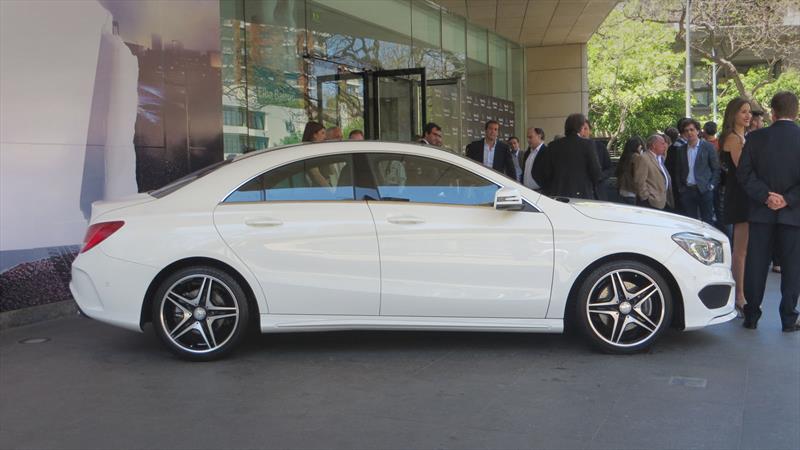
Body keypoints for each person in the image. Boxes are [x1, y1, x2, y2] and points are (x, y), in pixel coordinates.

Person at [737, 91, 800, 332]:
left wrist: (765, 196)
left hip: (761, 213)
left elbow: (744, 174)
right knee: (793, 267)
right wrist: (788, 199)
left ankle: (751, 315)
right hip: (794, 214)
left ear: (772, 112)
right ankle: (789, 318)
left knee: (756, 264)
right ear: (796, 112)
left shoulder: (755, 138)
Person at [718, 97, 753, 315]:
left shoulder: (742, 137)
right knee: (741, 250)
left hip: (744, 194)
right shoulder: (733, 138)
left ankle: (741, 293)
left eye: (749, 111)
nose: (748, 115)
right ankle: (739, 295)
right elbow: (744, 171)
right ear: (734, 114)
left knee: (744, 249)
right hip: (741, 195)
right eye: (743, 112)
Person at [532, 113, 601, 199]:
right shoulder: (587, 144)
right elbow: (596, 173)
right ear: (580, 128)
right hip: (582, 195)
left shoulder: (553, 146)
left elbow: (541, 172)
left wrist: (549, 188)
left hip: (557, 196)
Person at [669, 118, 720, 224]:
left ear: (697, 131)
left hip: (704, 190)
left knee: (707, 222)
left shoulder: (708, 147)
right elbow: (678, 171)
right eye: (686, 130)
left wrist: (711, 186)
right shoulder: (681, 150)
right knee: (690, 222)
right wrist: (681, 188)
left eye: (692, 130)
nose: (689, 133)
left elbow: (716, 168)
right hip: (687, 190)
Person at [632, 134, 673, 210]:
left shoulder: (660, 158)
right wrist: (646, 198)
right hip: (652, 203)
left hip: (664, 201)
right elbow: (639, 181)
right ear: (654, 145)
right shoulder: (644, 158)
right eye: (662, 143)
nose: (665, 146)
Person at [301, 121, 331, 187]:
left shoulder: (319, 150)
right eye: (322, 133)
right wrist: (331, 191)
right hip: (321, 190)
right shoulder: (309, 152)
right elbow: (316, 175)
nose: (325, 137)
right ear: (314, 135)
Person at [616, 136, 644, 205]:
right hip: (632, 191)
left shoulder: (625, 157)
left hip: (622, 190)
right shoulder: (636, 157)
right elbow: (638, 177)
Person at [522, 127, 546, 191]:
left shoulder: (547, 152)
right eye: (527, 137)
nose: (528, 140)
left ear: (539, 136)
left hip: (540, 192)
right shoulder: (527, 153)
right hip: (526, 190)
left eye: (530, 137)